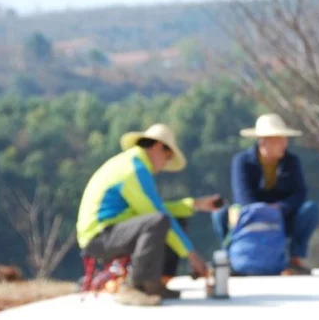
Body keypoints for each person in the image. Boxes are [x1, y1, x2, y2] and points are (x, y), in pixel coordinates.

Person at [76, 123, 220, 306]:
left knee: (168, 221)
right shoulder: (134, 170)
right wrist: (192, 255)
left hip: (111, 231)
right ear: (158, 147)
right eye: (167, 157)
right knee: (158, 222)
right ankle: (134, 287)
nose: (164, 164)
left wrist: (195, 205)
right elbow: (156, 215)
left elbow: (154, 210)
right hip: (99, 237)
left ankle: (154, 284)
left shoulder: (132, 163)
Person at [212, 113, 319, 275]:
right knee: (220, 214)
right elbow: (243, 196)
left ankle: (295, 259)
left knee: (310, 210)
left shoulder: (292, 161)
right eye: (279, 139)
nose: (285, 144)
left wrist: (279, 208)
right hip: (250, 215)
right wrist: (265, 209)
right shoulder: (241, 161)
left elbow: (299, 194)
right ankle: (232, 258)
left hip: (282, 215)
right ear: (264, 141)